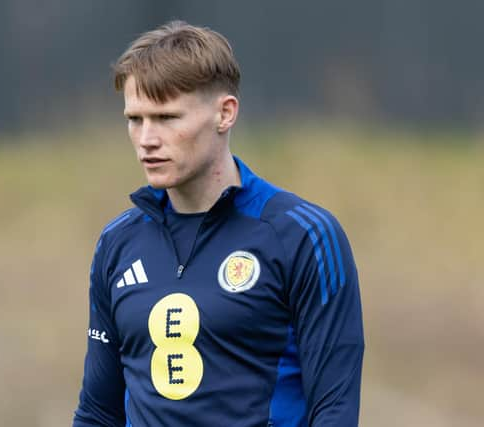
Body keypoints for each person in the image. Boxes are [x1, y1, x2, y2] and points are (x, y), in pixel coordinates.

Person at [73, 21, 364, 427]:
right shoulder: (118, 242)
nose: (146, 139)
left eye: (166, 117)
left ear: (225, 113)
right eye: (135, 119)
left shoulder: (303, 235)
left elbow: (334, 411)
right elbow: (98, 413)